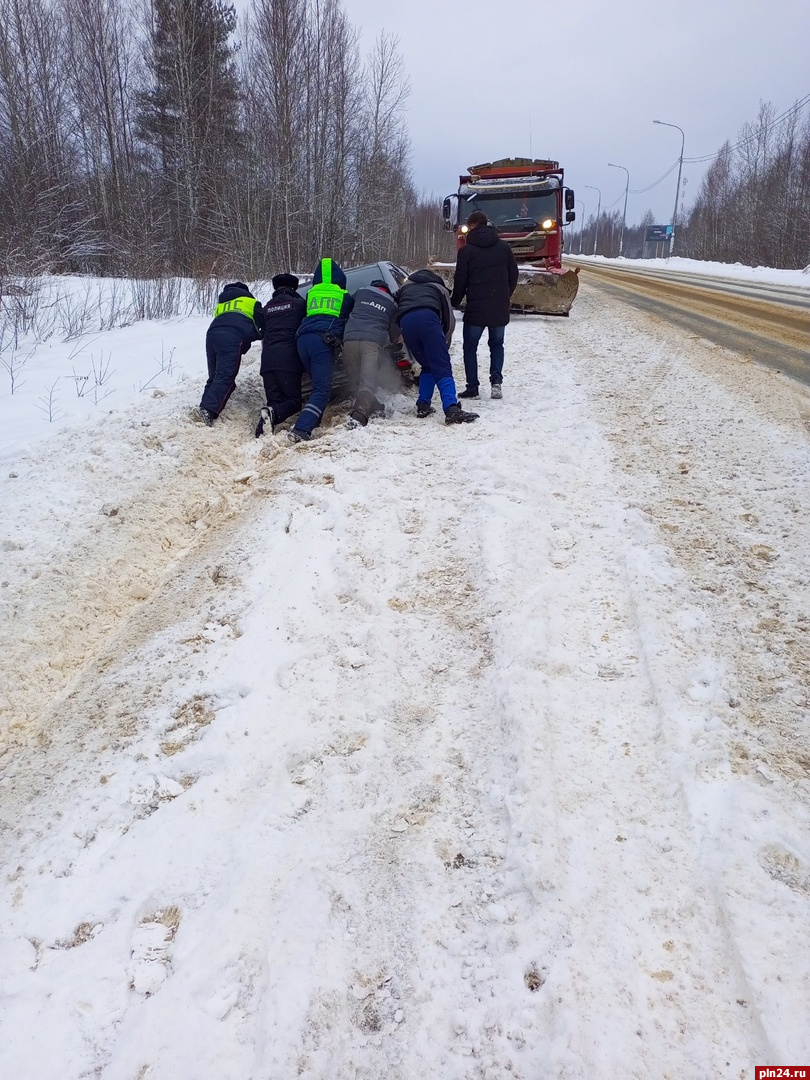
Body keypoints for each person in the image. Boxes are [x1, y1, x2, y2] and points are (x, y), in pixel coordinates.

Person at [450, 210, 518, 400]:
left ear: (471, 226)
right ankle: (496, 383)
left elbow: (460, 281)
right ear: (486, 224)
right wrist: (505, 295)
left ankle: (473, 388)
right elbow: (514, 275)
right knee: (497, 344)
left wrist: (454, 302)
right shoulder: (503, 247)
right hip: (499, 306)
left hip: (476, 309)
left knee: (470, 347)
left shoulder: (466, 251)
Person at [395, 269, 478, 425]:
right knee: (441, 365)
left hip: (406, 323)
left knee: (427, 365)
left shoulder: (405, 288)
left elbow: (395, 307)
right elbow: (449, 319)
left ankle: (423, 405)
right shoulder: (438, 288)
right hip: (428, 319)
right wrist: (443, 340)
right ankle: (451, 408)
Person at [289, 258, 354, 443]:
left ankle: (312, 421)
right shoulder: (344, 296)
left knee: (318, 386)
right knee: (322, 389)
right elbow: (351, 317)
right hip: (322, 341)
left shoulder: (311, 294)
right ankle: (301, 429)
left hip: (302, 340)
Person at [199, 282, 264, 425]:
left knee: (214, 376)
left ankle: (203, 407)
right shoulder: (251, 302)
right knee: (225, 377)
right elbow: (265, 323)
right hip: (232, 337)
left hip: (211, 336)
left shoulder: (221, 305)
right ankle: (208, 410)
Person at [342, 279, 404, 427]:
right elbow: (394, 332)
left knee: (355, 379)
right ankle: (359, 416)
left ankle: (373, 405)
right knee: (368, 382)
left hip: (349, 340)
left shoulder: (360, 291)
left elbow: (346, 310)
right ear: (387, 290)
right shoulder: (392, 303)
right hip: (371, 342)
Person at [255, 273, 306, 437]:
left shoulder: (268, 307)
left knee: (274, 403)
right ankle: (269, 419)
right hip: (288, 360)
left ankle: (262, 434)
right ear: (293, 288)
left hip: (268, 361)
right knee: (294, 402)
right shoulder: (299, 305)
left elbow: (262, 327)